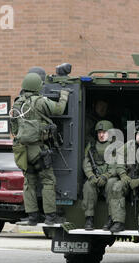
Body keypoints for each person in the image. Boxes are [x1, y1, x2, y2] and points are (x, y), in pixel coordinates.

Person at [10, 73, 70, 225]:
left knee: (29, 183)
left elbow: (14, 129)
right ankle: (50, 216)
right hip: (39, 150)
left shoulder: (17, 104)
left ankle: (32, 217)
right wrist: (64, 95)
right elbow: (59, 110)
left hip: (23, 152)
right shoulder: (40, 101)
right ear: (38, 86)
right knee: (48, 181)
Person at [82, 120, 119, 231]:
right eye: (99, 132)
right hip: (95, 176)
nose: (101, 135)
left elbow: (117, 165)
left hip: (110, 177)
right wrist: (91, 176)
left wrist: (106, 176)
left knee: (112, 184)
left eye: (104, 132)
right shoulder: (91, 146)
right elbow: (86, 162)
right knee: (88, 185)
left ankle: (111, 217)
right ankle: (89, 218)